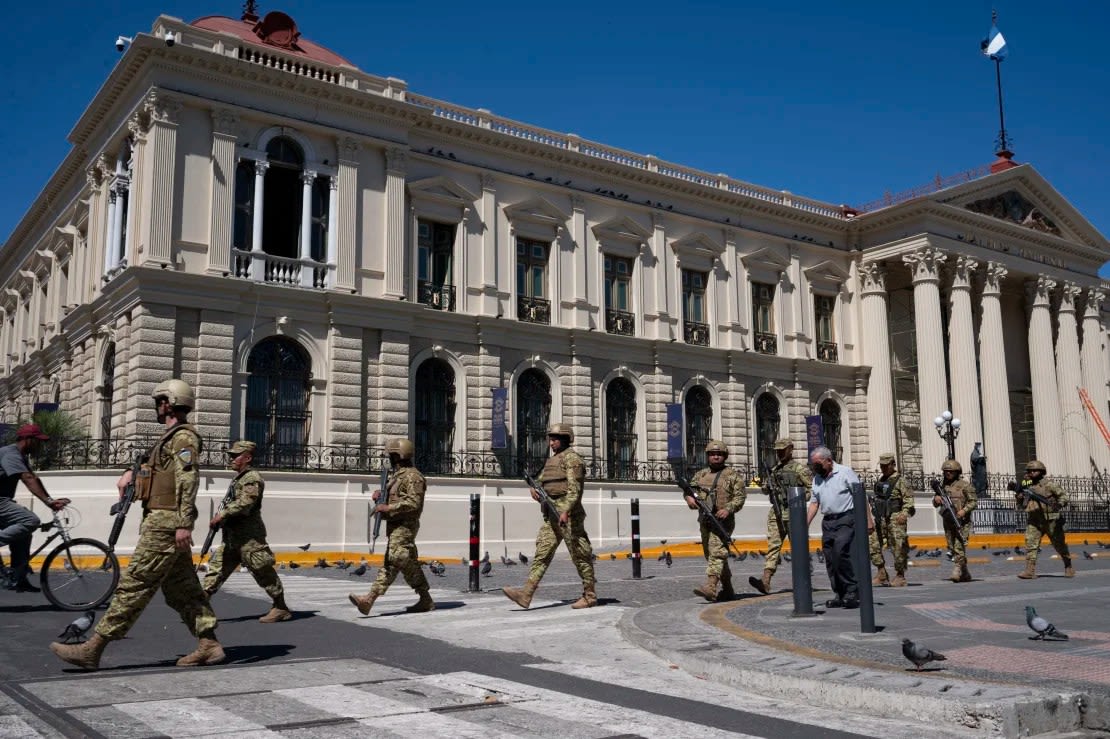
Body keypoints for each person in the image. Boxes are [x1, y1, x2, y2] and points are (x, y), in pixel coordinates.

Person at [51, 379, 223, 670]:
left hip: (165, 523)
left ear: (169, 402)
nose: (156, 406)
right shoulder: (168, 438)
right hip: (161, 520)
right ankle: (209, 644)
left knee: (135, 584)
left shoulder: (183, 438)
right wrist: (131, 474)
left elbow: (187, 479)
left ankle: (93, 648)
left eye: (159, 401)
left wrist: (183, 524)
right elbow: (154, 470)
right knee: (183, 588)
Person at [503, 423, 597, 610]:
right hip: (552, 515)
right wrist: (534, 488)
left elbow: (574, 490)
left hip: (569, 516)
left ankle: (589, 596)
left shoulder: (573, 459)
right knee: (542, 553)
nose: (551, 442)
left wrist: (566, 510)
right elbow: (543, 481)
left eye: (554, 439)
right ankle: (526, 595)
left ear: (564, 439)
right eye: (550, 439)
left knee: (580, 555)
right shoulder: (553, 461)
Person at [201, 440, 290, 622]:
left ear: (247, 457)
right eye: (231, 455)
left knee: (262, 571)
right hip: (233, 537)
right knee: (216, 569)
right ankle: (200, 606)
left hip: (249, 538)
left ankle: (280, 607)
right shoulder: (240, 478)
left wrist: (222, 515)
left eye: (235, 456)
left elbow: (245, 503)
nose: (231, 459)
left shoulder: (252, 478)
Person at [349, 438, 435, 615]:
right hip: (395, 525)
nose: (390, 458)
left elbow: (414, 503)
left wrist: (388, 507)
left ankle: (424, 596)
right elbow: (395, 496)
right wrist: (381, 496)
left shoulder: (413, 476)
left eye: (392, 454)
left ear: (399, 455)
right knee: (391, 563)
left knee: (398, 557)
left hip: (406, 525)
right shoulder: (397, 476)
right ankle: (369, 600)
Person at [0, 424, 70, 592]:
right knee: (30, 520)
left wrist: (51, 500)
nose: (41, 445)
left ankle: (18, 577)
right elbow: (27, 478)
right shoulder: (10, 454)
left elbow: (34, 479)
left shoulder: (20, 455)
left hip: (3, 500)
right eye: (38, 441)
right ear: (27, 440)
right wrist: (49, 502)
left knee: (24, 535)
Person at [806, 446, 873, 609]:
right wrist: (804, 524)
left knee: (841, 552)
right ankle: (839, 593)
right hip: (828, 521)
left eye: (817, 464)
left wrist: (868, 520)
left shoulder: (845, 472)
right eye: (813, 464)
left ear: (829, 460)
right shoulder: (817, 478)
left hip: (845, 518)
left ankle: (852, 591)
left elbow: (860, 495)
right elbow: (814, 503)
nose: (815, 467)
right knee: (829, 557)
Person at [686, 441, 747, 602]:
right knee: (711, 554)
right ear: (707, 456)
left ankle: (711, 587)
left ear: (725, 456)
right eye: (712, 454)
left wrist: (728, 508)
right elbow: (689, 489)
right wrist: (689, 498)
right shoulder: (701, 474)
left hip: (722, 521)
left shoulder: (732, 475)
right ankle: (727, 590)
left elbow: (740, 497)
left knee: (717, 552)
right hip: (705, 520)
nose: (715, 456)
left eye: (719, 454)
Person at [750, 438, 811, 595]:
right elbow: (764, 489)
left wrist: (797, 497)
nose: (779, 453)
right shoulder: (775, 470)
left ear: (790, 449)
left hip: (794, 513)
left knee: (798, 548)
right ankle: (766, 580)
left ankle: (802, 580)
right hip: (776, 513)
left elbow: (811, 490)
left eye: (782, 450)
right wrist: (768, 485)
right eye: (777, 451)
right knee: (773, 547)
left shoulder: (799, 469)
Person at [1015, 460, 1073, 579]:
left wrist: (1059, 504)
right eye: (1029, 471)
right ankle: (1029, 571)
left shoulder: (1049, 485)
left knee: (1059, 545)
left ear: (1041, 472)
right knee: (1031, 544)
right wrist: (1019, 495)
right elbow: (1021, 504)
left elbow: (1064, 496)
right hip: (1034, 519)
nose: (1031, 472)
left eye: (1034, 470)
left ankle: (1068, 566)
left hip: (1051, 519)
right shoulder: (1026, 485)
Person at [868, 452, 915, 587]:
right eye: (881, 466)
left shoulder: (901, 481)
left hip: (895, 517)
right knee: (873, 544)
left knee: (898, 546)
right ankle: (881, 572)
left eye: (885, 466)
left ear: (892, 464)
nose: (883, 468)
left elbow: (909, 500)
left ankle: (900, 575)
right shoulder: (881, 481)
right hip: (880, 517)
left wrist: (904, 514)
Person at [933, 459, 977, 583]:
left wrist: (964, 511)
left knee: (959, 545)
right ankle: (965, 573)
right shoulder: (942, 487)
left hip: (962, 521)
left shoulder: (965, 485)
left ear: (957, 472)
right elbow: (936, 504)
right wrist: (936, 499)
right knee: (951, 546)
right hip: (948, 520)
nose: (948, 474)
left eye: (951, 472)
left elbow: (973, 501)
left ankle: (957, 570)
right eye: (946, 472)